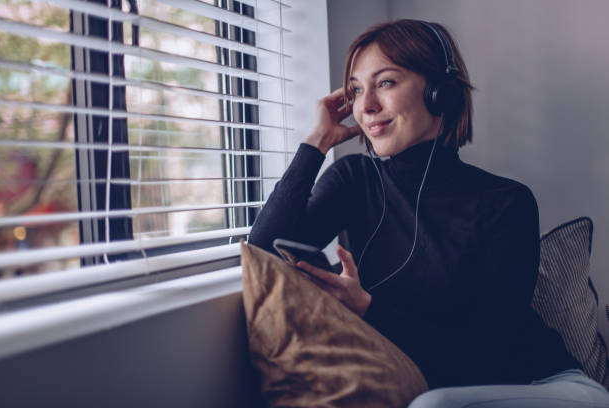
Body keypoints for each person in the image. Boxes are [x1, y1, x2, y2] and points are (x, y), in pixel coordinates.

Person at [248, 19, 609, 407]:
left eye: (385, 82)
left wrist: (370, 309)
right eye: (355, 90)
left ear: (441, 93)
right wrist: (316, 142)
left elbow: (486, 350)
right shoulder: (352, 180)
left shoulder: (508, 202)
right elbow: (263, 252)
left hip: (543, 385)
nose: (365, 106)